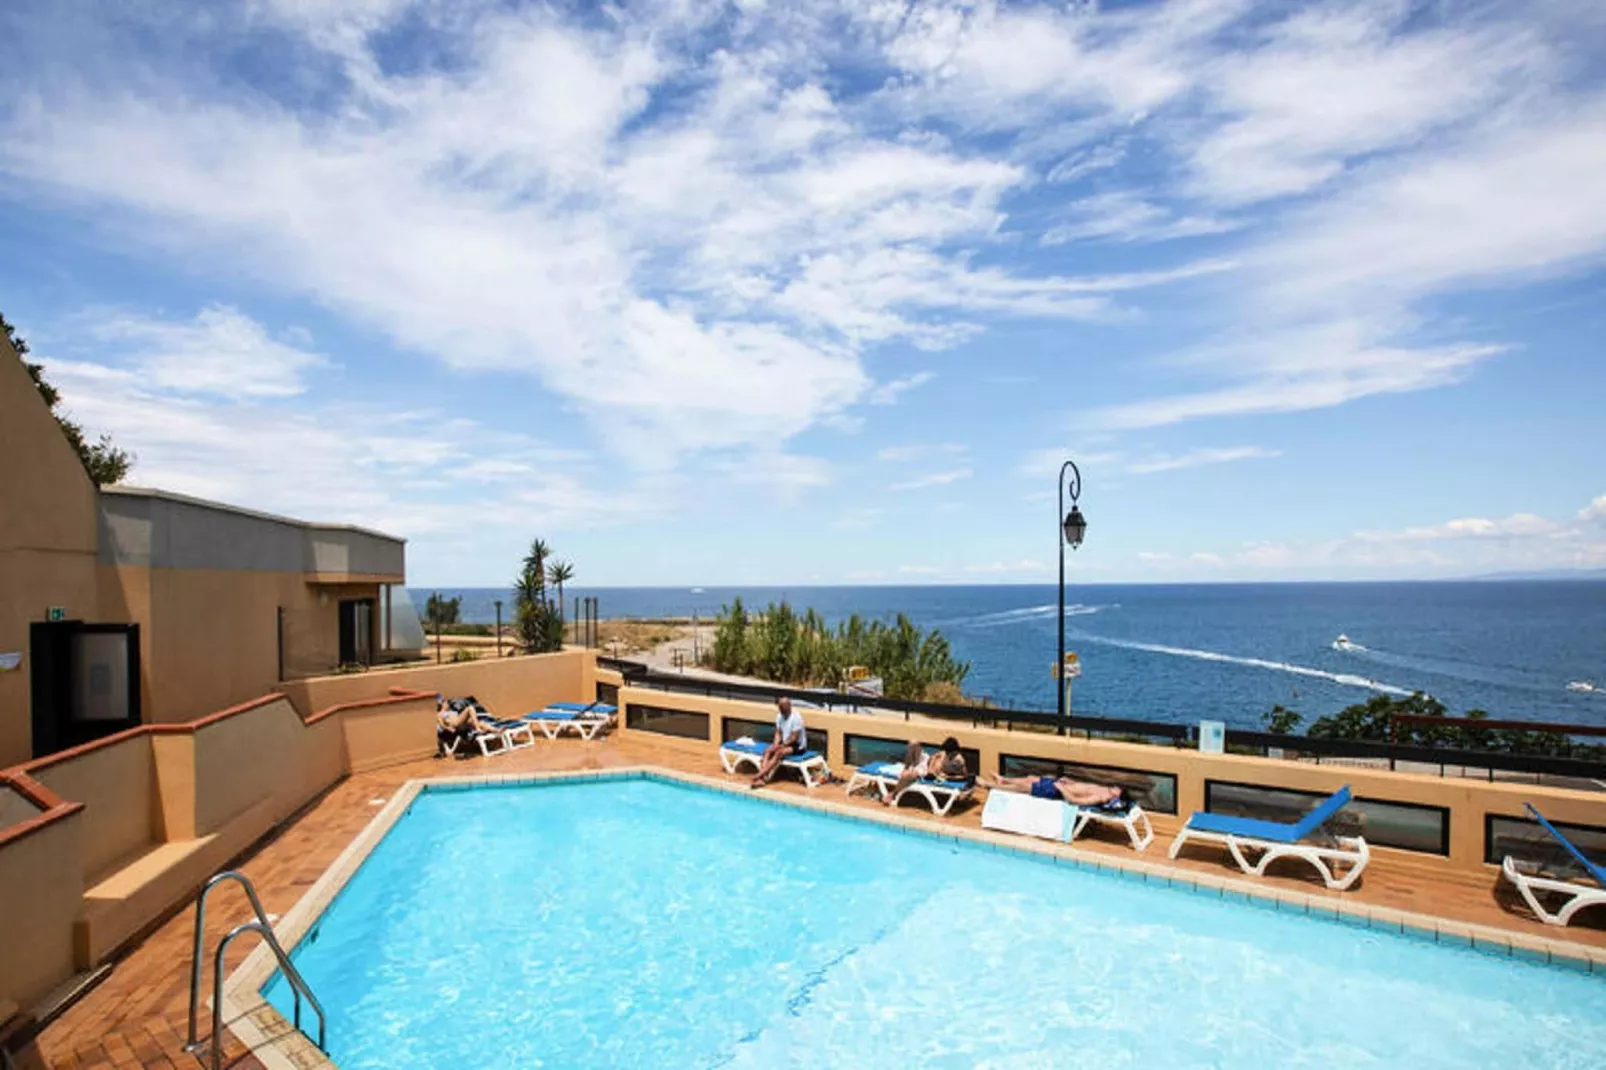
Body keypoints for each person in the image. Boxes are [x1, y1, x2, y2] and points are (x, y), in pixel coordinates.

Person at [883, 737, 969, 806]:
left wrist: (946, 776)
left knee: (907, 775)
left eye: (948, 752)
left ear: (955, 750)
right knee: (914, 742)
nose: (946, 753)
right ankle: (906, 767)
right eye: (946, 751)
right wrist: (930, 767)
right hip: (926, 761)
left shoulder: (959, 760)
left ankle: (893, 794)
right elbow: (934, 756)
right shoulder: (945, 753)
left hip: (924, 770)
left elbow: (964, 776)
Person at [751, 696, 807, 788]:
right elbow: (778, 733)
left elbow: (794, 738)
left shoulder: (796, 717)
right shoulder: (779, 716)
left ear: (789, 706)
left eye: (783, 707)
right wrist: (775, 744)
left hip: (798, 746)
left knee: (778, 753)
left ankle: (760, 775)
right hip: (785, 743)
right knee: (767, 751)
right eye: (780, 707)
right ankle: (761, 778)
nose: (781, 710)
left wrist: (781, 746)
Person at [982, 773, 1127, 808]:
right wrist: (1071, 782)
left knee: (1021, 788)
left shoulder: (1100, 797)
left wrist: (1062, 789)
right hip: (1061, 785)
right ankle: (1003, 779)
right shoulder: (1103, 789)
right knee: (1032, 778)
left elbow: (1075, 800)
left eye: (1118, 789)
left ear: (1117, 796)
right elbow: (1082, 787)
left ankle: (991, 785)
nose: (1116, 787)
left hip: (1056, 791)